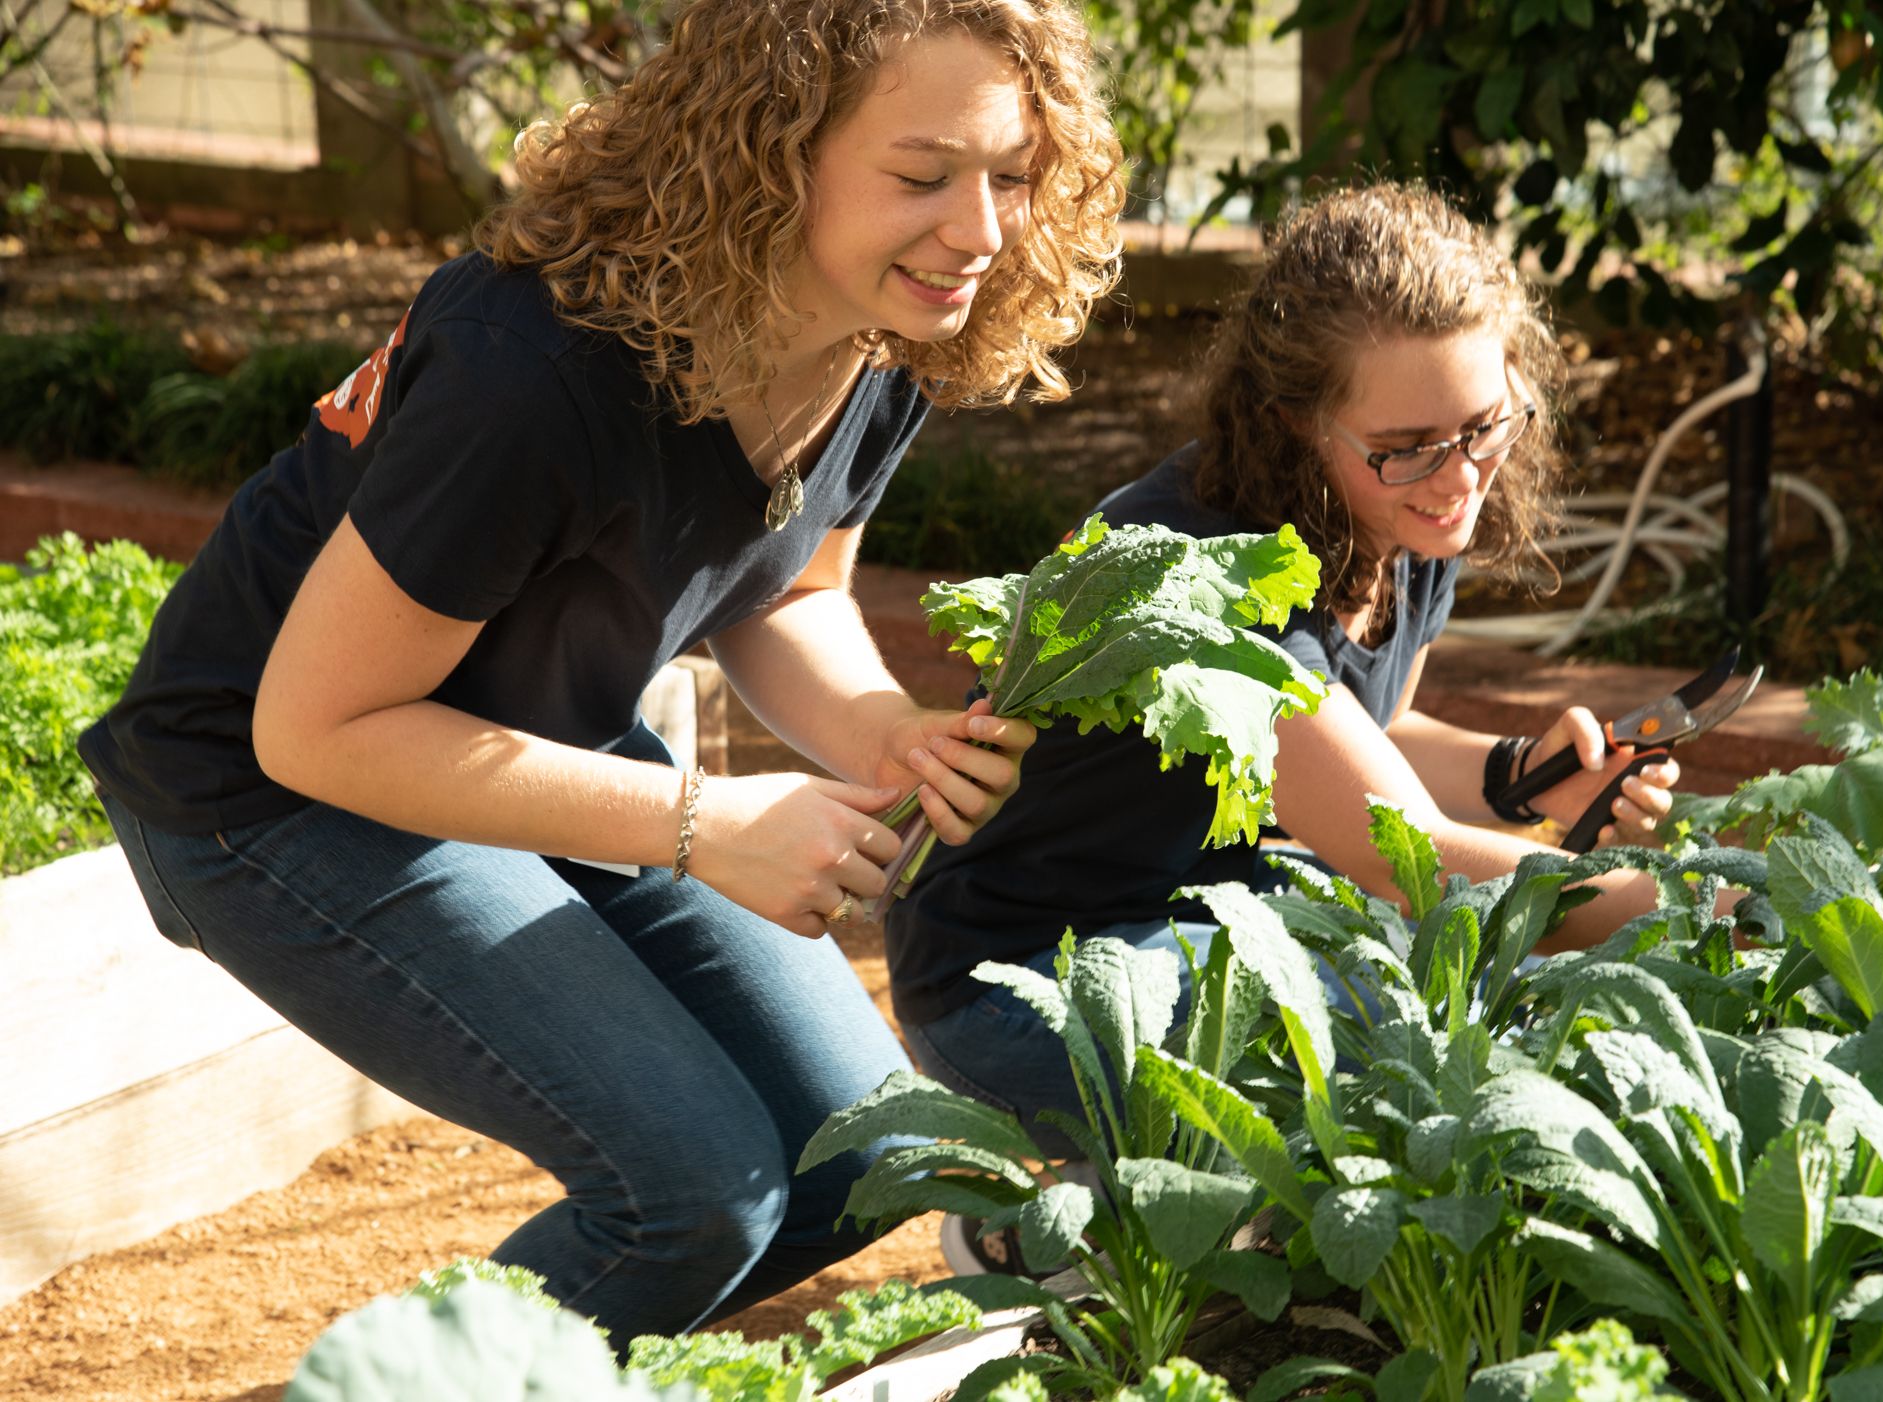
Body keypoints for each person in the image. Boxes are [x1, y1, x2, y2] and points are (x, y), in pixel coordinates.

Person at [77, 0, 1123, 1349]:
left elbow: (792, 587)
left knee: (863, 1158)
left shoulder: (886, 326)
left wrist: (881, 729)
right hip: (268, 791)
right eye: (923, 175)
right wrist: (704, 825)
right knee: (684, 1193)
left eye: (1014, 175)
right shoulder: (538, 372)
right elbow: (315, 726)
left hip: (516, 736)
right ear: (772, 151)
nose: (981, 230)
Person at [885, 181, 1684, 1154]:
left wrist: (1515, 772)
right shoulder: (1206, 572)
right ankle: (1085, 1218)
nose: (1460, 475)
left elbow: (1360, 740)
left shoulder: (1397, 513)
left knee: (1417, 991)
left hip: (1199, 918)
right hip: (1025, 981)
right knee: (1400, 1025)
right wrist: (1701, 906)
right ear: (1296, 424)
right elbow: (1410, 861)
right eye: (1406, 447)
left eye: (1484, 426)